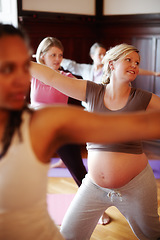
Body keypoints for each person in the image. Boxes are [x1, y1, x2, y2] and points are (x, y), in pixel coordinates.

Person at [31, 43, 160, 240]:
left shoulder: (143, 98)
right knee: (69, 234)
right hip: (94, 186)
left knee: (152, 234)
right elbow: (51, 77)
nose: (134, 65)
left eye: (137, 62)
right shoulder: (92, 91)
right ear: (111, 64)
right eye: (128, 59)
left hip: (136, 186)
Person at [30, 36, 88, 188]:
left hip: (60, 129)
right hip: (36, 129)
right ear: (42, 56)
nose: (58, 59)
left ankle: (98, 208)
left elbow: (86, 90)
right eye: (53, 55)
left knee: (79, 171)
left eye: (60, 55)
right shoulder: (34, 75)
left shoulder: (66, 77)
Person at [61, 42, 160, 83]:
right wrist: (56, 59)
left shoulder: (111, 67)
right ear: (92, 56)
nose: (102, 57)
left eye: (104, 54)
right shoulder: (86, 69)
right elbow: (71, 65)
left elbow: (133, 69)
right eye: (99, 54)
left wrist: (154, 73)